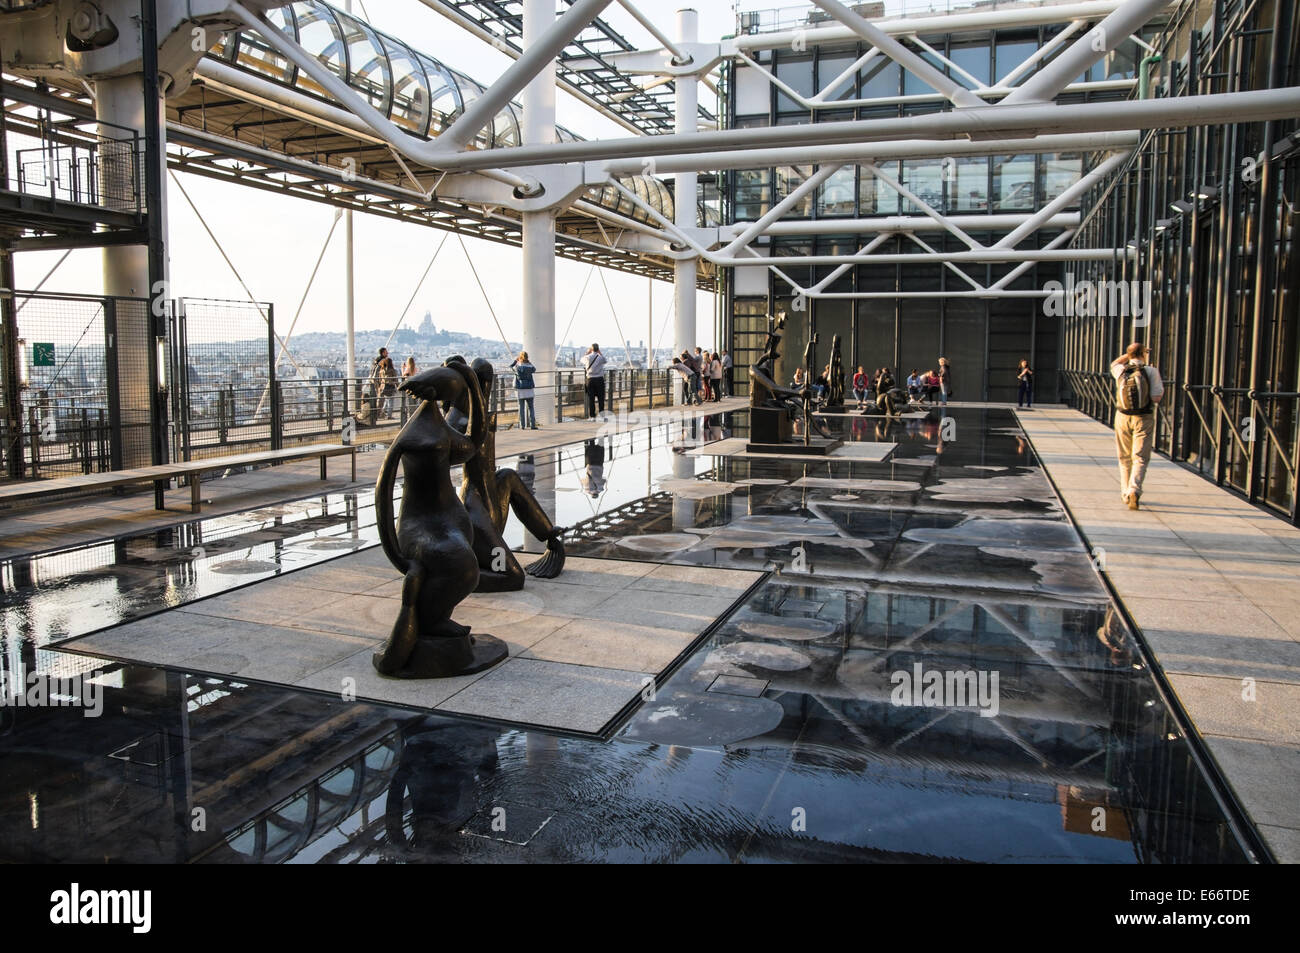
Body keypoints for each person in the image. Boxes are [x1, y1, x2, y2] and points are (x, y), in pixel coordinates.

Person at [1111, 342, 1164, 510]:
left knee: (1124, 457)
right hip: (1143, 417)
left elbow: (1114, 363)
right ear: (1144, 354)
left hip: (1122, 416)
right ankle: (1134, 489)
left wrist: (1130, 354)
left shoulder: (1120, 370)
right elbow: (1156, 398)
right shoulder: (1151, 371)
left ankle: (1125, 493)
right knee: (1140, 457)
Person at [510, 350, 538, 429]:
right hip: (529, 389)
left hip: (520, 390)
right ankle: (533, 425)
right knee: (531, 408)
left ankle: (522, 426)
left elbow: (510, 367)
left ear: (520, 357)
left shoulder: (518, 366)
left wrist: (516, 361)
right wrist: (529, 362)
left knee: (521, 408)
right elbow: (534, 369)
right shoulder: (529, 366)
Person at [582, 342, 607, 418]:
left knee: (591, 399)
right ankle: (601, 415)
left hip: (590, 380)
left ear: (591, 349)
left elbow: (581, 360)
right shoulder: (600, 358)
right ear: (598, 349)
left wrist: (587, 352)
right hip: (599, 379)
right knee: (601, 398)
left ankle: (592, 416)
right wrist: (600, 353)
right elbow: (605, 361)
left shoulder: (587, 357)